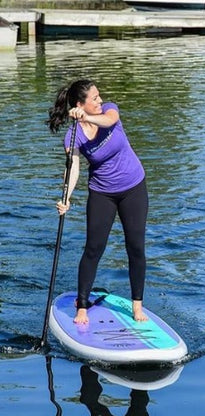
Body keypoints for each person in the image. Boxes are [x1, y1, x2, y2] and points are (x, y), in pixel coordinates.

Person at [47, 79, 149, 325]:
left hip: (133, 187)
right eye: (94, 98)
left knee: (135, 247)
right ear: (81, 104)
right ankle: (81, 307)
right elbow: (73, 169)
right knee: (93, 249)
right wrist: (67, 198)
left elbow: (108, 120)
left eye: (99, 96)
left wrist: (88, 117)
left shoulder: (109, 111)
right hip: (102, 193)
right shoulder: (73, 136)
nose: (100, 100)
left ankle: (137, 307)